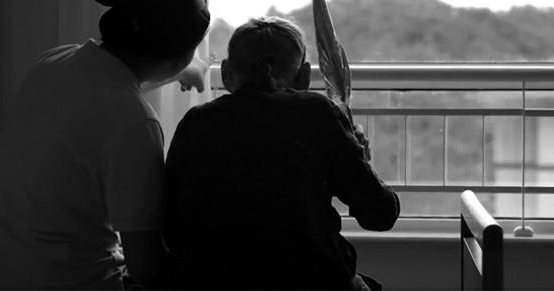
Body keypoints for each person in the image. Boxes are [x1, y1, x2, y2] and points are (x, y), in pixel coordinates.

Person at [0, 0, 210, 290]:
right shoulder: (136, 124)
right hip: (61, 280)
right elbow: (145, 267)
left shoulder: (55, 61)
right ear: (178, 55)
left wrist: (178, 71)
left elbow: (105, 97)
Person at [164, 17, 400, 290]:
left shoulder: (196, 122)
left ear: (227, 73)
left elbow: (170, 227)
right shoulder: (317, 112)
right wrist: (358, 160)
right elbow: (380, 215)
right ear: (304, 76)